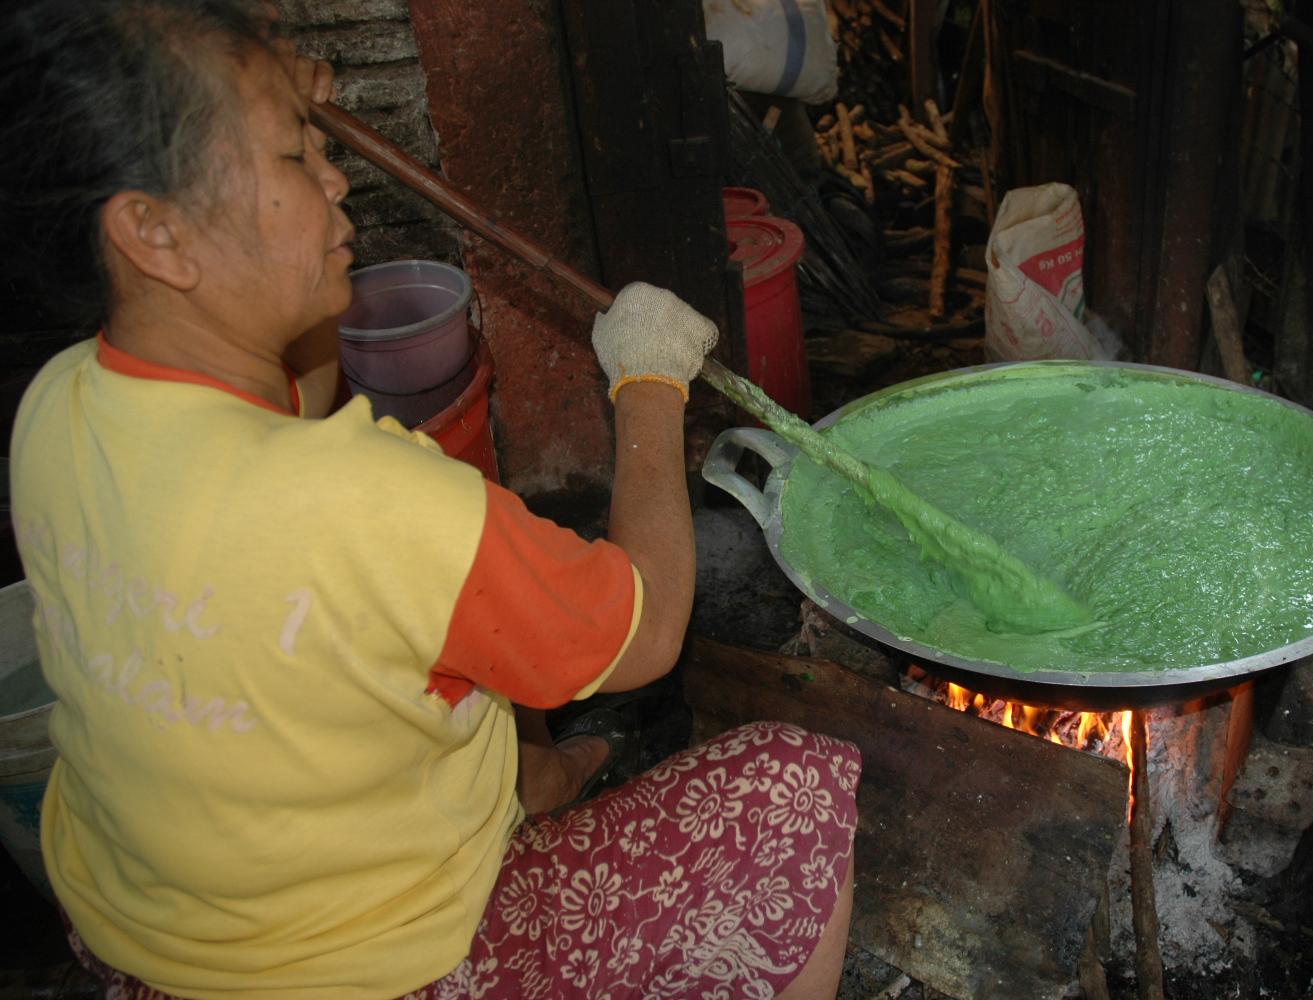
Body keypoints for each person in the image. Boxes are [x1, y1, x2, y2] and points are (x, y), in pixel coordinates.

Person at [1, 1, 861, 997]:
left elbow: (298, 392)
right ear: (153, 230)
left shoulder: (58, 405)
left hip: (143, 924)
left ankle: (541, 783)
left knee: (461, 655)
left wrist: (278, 118)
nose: (334, 178)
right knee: (793, 786)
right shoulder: (376, 505)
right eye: (293, 158)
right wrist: (651, 385)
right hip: (358, 970)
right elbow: (646, 629)